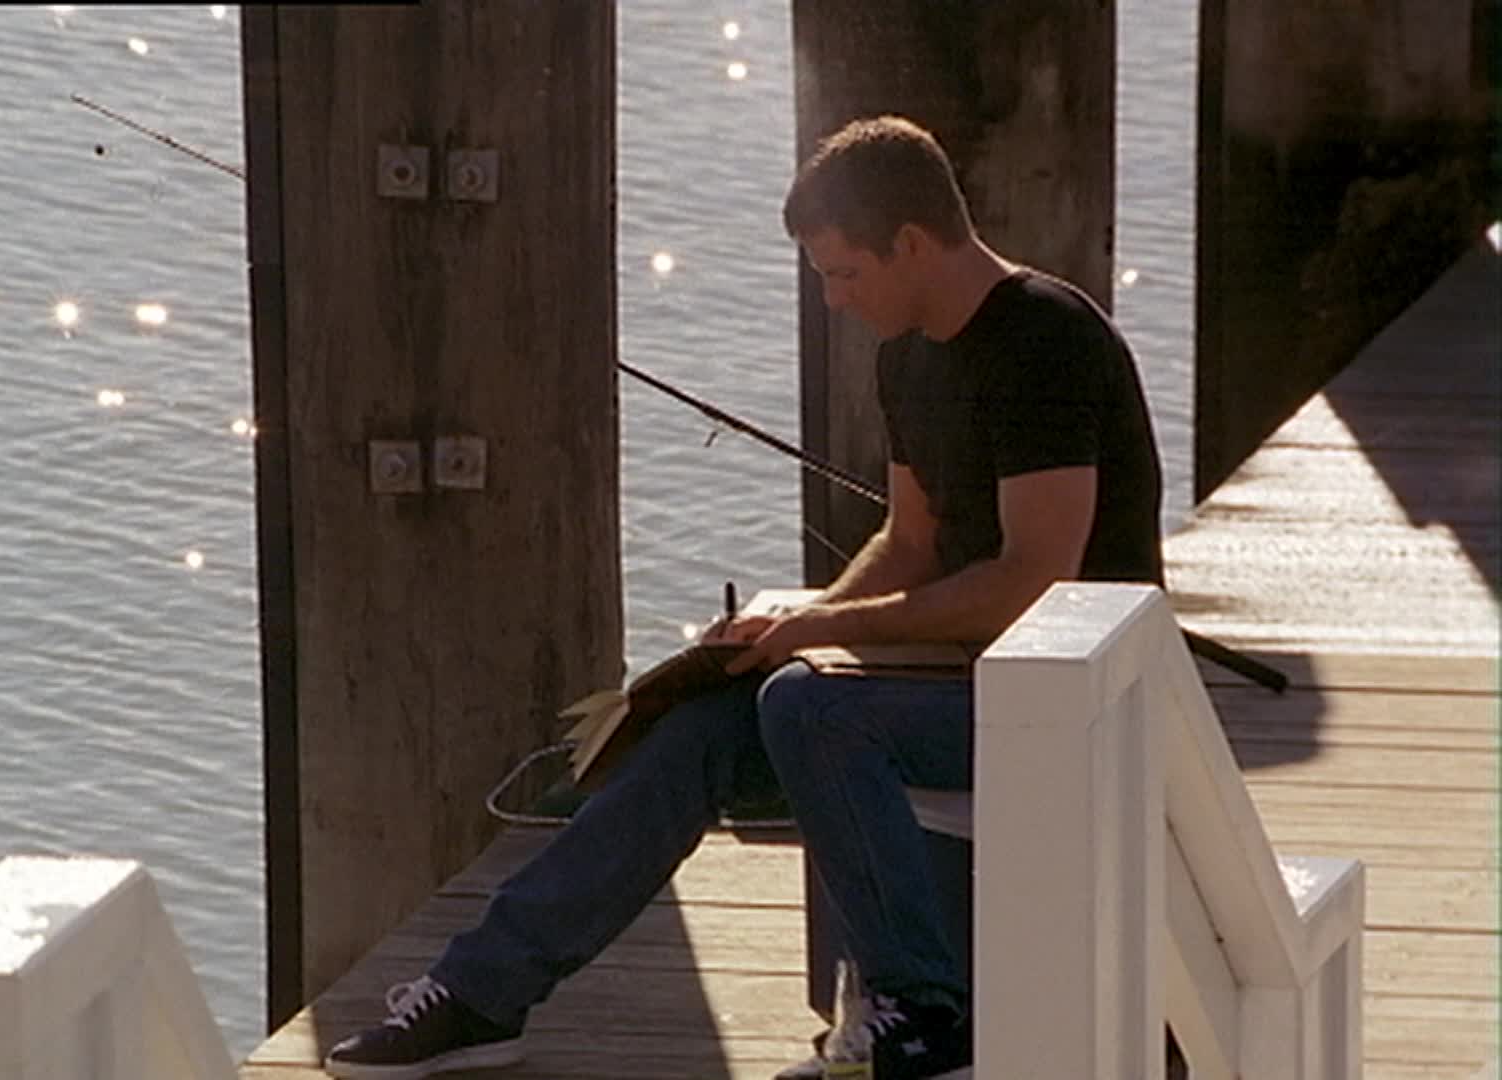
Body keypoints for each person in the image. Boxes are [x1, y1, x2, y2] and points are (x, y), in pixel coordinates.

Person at [323, 114, 1163, 1080]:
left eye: (845, 273)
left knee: (812, 706)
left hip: (1079, 696)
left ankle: (926, 1017)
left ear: (912, 243)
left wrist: (822, 632)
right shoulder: (908, 354)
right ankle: (481, 993)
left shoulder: (1045, 340)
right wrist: (785, 632)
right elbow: (911, 545)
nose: (835, 300)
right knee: (711, 720)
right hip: (957, 684)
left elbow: (1034, 580)